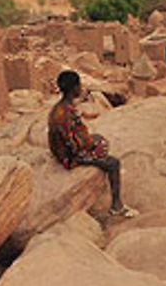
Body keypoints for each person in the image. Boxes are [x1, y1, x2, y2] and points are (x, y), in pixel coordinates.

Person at [48, 70, 137, 218]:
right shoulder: (68, 113)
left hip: (60, 151)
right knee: (112, 162)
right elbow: (78, 144)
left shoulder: (58, 108)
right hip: (70, 157)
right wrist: (91, 145)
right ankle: (117, 205)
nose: (81, 88)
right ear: (74, 88)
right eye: (79, 85)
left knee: (98, 138)